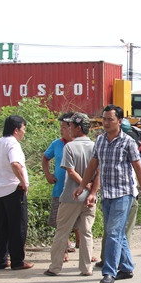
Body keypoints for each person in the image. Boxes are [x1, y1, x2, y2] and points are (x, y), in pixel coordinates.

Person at [76, 105, 141, 283]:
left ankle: (109, 272)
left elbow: (138, 168)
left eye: (110, 119)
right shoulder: (100, 141)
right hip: (107, 194)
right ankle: (127, 267)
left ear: (119, 121)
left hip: (123, 194)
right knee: (116, 232)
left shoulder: (128, 142)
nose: (106, 123)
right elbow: (93, 165)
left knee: (113, 232)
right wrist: (83, 185)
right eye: (104, 119)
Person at [44, 113, 99, 276]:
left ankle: (55, 267)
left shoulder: (69, 147)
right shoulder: (95, 146)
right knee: (86, 232)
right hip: (90, 198)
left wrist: (83, 185)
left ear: (78, 128)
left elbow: (70, 170)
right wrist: (92, 191)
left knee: (62, 231)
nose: (69, 129)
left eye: (71, 126)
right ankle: (86, 268)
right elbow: (99, 172)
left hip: (71, 196)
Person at [0, 115, 33, 270]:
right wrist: (23, 182)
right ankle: (17, 261)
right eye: (23, 129)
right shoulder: (13, 144)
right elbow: (15, 164)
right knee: (18, 226)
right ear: (16, 130)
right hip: (13, 189)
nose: (24, 132)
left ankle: (1, 260)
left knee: (2, 227)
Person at [42, 112, 80, 262]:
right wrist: (48, 174)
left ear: (72, 127)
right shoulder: (57, 144)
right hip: (59, 190)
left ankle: (83, 249)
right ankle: (64, 250)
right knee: (60, 222)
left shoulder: (81, 144)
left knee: (81, 223)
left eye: (64, 127)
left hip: (78, 190)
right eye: (61, 127)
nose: (61, 130)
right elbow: (45, 158)